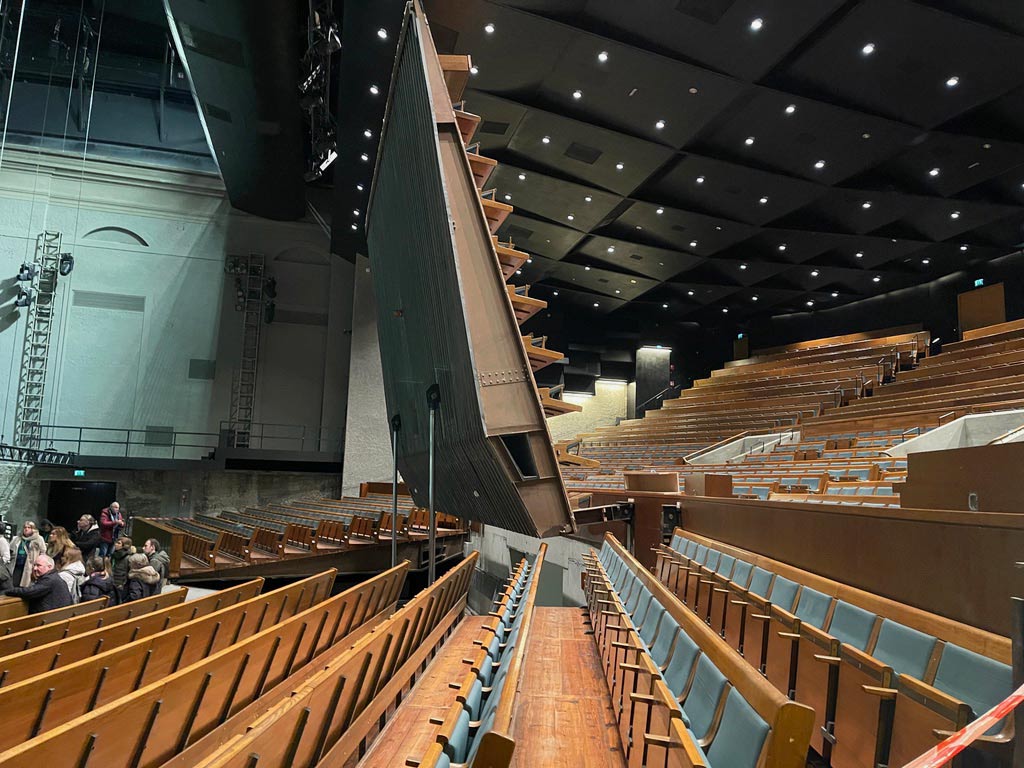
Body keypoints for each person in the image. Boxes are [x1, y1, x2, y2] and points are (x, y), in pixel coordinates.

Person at [4, 554, 72, 613]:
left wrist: (7, 591)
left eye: (39, 565)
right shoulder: (55, 577)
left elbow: (29, 592)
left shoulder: (49, 580)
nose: (35, 568)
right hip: (57, 617)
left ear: (49, 567)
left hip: (47, 620)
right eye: (34, 565)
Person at [9, 521, 46, 588]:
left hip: (30, 566)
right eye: (25, 527)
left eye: (29, 527)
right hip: (16, 566)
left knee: (26, 585)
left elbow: (43, 552)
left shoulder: (39, 539)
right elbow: (10, 550)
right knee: (14, 585)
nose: (26, 529)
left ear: (33, 529)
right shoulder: (17, 538)